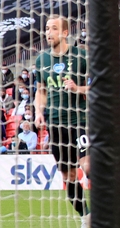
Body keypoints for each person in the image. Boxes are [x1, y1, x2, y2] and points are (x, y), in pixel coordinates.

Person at [34, 15, 90, 226]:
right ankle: (87, 218)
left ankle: (114, 201)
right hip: (56, 124)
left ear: (65, 33)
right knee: (69, 176)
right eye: (47, 28)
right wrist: (39, 112)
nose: (49, 32)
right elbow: (41, 91)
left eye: (54, 28)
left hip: (80, 118)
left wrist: (78, 88)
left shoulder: (81, 57)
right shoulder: (42, 60)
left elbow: (100, 88)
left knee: (89, 166)